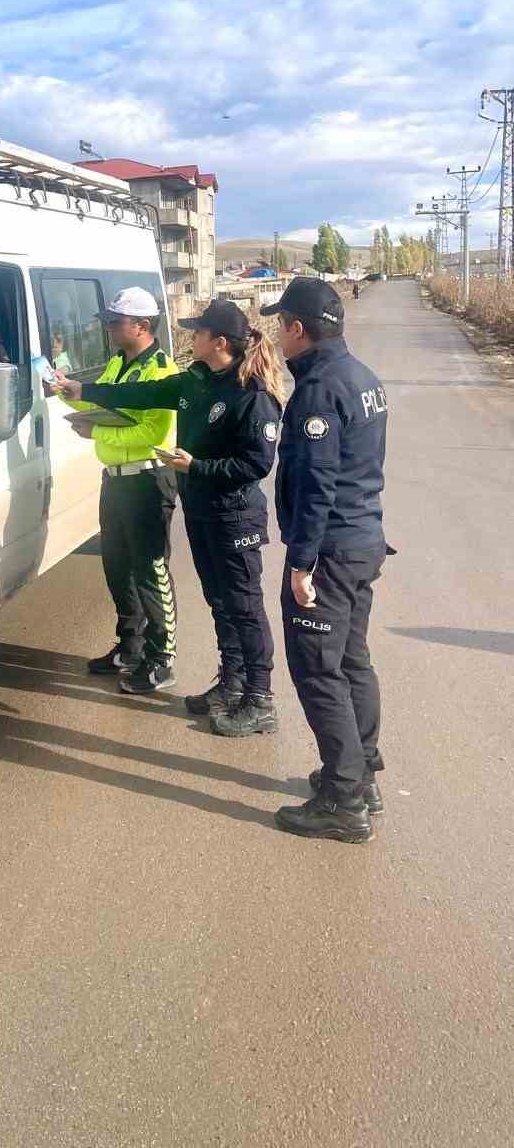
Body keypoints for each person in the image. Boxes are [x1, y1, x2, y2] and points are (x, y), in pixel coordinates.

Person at [57, 299, 284, 735]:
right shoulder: (197, 382)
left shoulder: (251, 394)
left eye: (197, 332)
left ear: (219, 342)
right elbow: (140, 394)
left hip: (234, 517)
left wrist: (195, 467)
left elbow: (256, 465)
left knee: (245, 608)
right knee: (221, 604)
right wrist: (85, 392)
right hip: (202, 512)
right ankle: (232, 684)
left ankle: (260, 697)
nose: (189, 336)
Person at [261, 278, 390, 844]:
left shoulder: (318, 390)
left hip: (333, 549)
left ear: (297, 328)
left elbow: (317, 483)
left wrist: (301, 565)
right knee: (353, 661)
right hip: (363, 541)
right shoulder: (361, 376)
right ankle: (361, 774)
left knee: (319, 669)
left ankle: (343, 799)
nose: (276, 334)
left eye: (280, 323)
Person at [57, 288, 180, 695]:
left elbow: (153, 431)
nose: (108, 328)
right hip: (114, 479)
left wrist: (98, 428)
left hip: (147, 479)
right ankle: (130, 647)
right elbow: (106, 406)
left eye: (115, 321)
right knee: (116, 567)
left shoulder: (163, 373)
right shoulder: (117, 364)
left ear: (141, 326)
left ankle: (162, 659)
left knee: (150, 570)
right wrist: (65, 389)